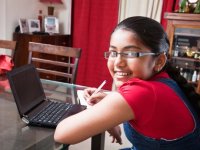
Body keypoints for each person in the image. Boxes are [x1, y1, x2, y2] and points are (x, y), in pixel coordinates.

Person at [54, 16, 200, 150]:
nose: (118, 62)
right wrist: (110, 102)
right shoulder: (164, 79)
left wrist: (106, 109)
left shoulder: (142, 93)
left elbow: (62, 133)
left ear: (159, 61)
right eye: (113, 53)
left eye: (131, 54)